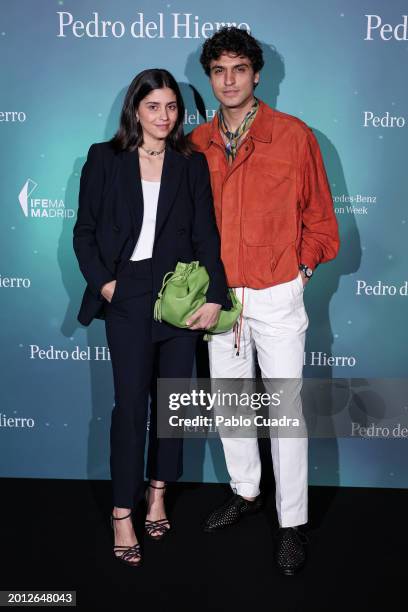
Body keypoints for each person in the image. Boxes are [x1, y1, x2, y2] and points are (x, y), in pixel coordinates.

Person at [190, 27, 340, 575]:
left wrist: (297, 274)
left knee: (285, 412)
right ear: (209, 78)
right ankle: (246, 490)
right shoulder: (198, 143)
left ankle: (292, 522)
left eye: (238, 69)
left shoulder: (294, 136)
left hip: (277, 293)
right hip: (216, 300)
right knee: (230, 403)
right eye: (218, 71)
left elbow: (322, 222)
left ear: (256, 74)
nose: (229, 80)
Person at [73, 68, 229, 567]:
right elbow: (85, 232)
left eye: (172, 107)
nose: (164, 117)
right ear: (135, 110)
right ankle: (123, 511)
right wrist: (107, 284)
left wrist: (216, 296)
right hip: (128, 294)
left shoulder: (191, 163)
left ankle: (158, 492)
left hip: (179, 297)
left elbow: (206, 235)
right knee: (130, 409)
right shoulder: (104, 158)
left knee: (174, 405)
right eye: (153, 106)